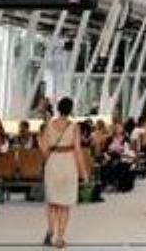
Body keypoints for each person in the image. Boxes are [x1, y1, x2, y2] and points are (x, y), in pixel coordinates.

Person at [40, 97, 87, 249]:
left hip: (53, 162)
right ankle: (60, 238)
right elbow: (78, 151)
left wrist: (49, 159)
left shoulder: (49, 125)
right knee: (65, 204)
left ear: (58, 108)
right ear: (71, 109)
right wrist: (83, 172)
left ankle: (50, 229)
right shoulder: (74, 127)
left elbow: (45, 150)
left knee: (53, 202)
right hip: (68, 164)